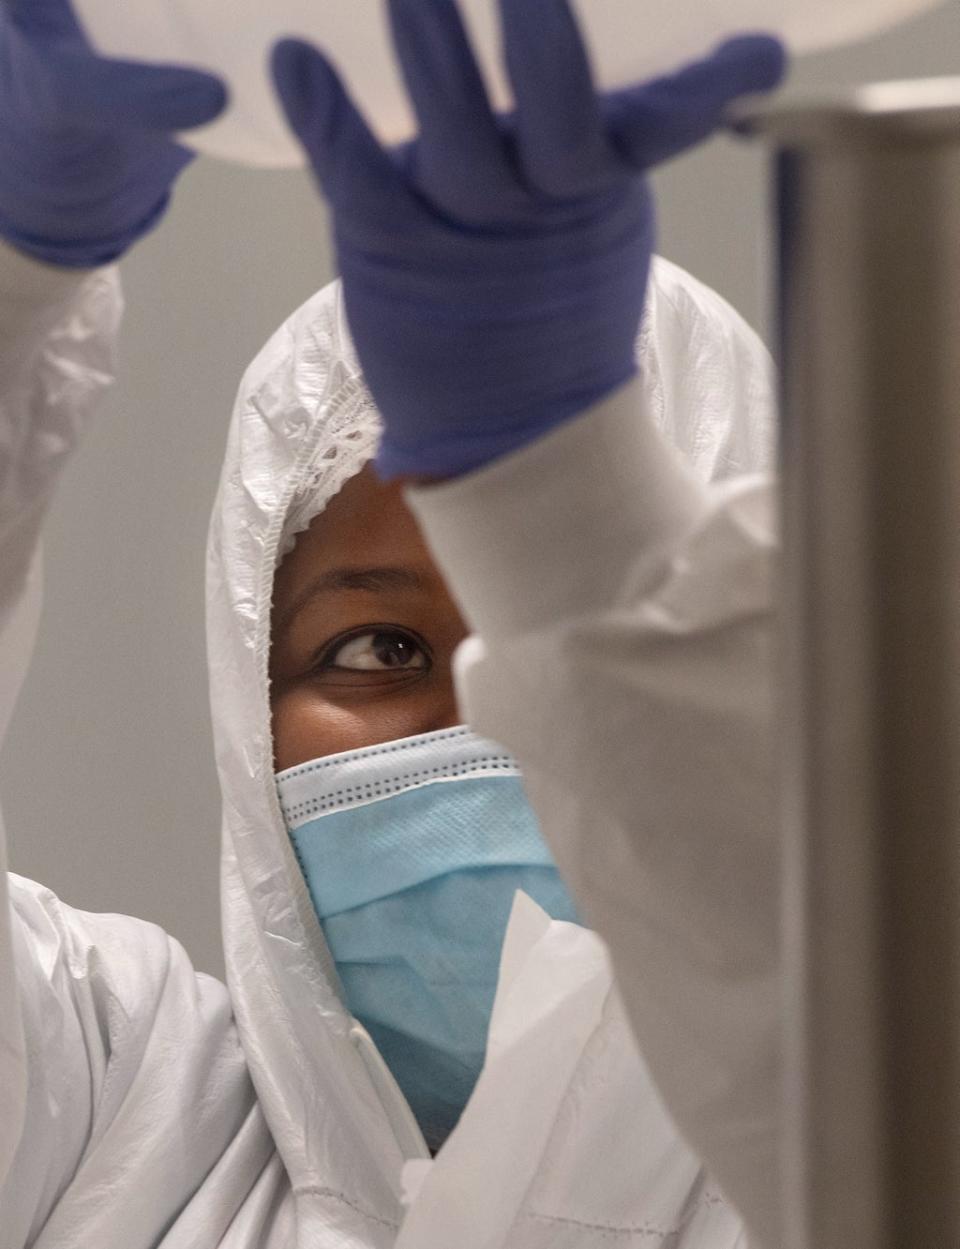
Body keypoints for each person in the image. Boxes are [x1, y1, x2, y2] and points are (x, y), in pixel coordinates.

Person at [0, 0, 784, 1246]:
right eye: (380, 650)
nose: (488, 724)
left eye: (554, 634)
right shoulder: (111, 1107)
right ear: (249, 715)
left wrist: (575, 497)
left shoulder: (874, 1148)